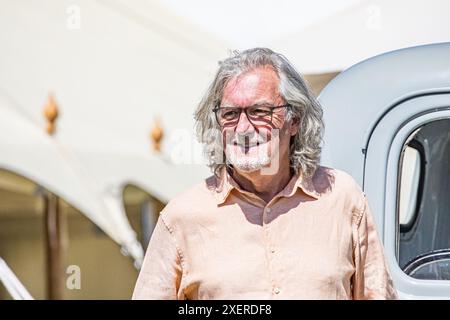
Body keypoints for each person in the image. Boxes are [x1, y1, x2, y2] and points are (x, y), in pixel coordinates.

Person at [132, 47, 398, 299]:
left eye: (260, 111)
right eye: (231, 114)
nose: (244, 128)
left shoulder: (342, 198)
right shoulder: (181, 217)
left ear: (294, 120)